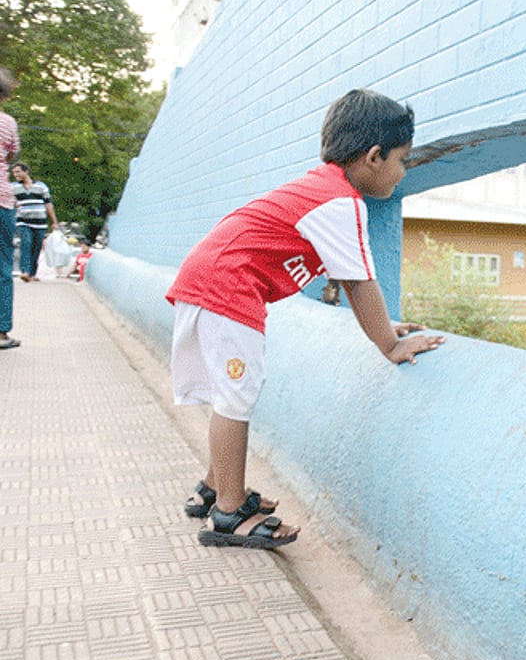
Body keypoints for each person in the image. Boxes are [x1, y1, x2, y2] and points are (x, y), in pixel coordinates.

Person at [166, 89, 445, 550]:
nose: (404, 170)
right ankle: (229, 515)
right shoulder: (340, 201)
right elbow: (358, 282)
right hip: (227, 288)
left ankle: (215, 490)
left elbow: (347, 278)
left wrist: (382, 326)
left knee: (228, 396)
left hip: (210, 280)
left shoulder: (321, 186)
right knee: (236, 399)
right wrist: (389, 345)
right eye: (402, 158)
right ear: (375, 157)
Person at [11, 161, 58, 281]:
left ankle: (31, 274)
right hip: (23, 221)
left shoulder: (41, 187)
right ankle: (25, 271)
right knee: (26, 244)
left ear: (26, 172)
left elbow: (48, 204)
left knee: (36, 248)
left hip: (40, 223)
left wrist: (54, 221)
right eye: (14, 173)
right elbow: (9, 203)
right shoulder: (14, 187)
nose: (15, 175)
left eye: (18, 172)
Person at [0, 67, 18, 350]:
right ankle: (1, 333)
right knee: (3, 267)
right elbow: (11, 153)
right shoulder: (7, 122)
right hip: (1, 200)